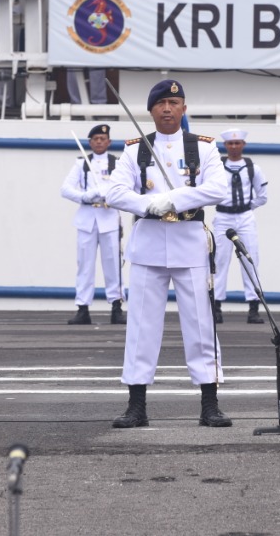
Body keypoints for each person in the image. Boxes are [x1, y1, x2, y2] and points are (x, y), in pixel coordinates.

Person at [104, 80, 230, 428]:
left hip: (188, 242)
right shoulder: (136, 150)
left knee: (201, 325)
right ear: (151, 111)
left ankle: (209, 403)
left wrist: (174, 199)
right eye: (161, 104)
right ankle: (137, 404)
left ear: (184, 108)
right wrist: (148, 204)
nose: (168, 109)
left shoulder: (203, 148)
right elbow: (113, 192)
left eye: (174, 102)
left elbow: (219, 188)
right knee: (141, 327)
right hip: (148, 245)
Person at [60, 123, 125, 325]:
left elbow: (126, 187)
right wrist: (85, 196)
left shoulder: (118, 163)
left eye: (102, 139)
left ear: (109, 142)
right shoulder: (82, 163)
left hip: (109, 218)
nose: (99, 142)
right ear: (90, 142)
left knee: (113, 265)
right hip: (88, 217)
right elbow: (65, 189)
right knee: (85, 265)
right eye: (95, 139)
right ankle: (83, 308)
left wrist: (111, 195)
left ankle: (116, 306)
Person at [211, 129, 268, 324]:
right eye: (230, 144)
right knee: (219, 260)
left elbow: (262, 196)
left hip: (244, 216)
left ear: (243, 144)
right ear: (225, 146)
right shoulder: (217, 167)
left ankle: (253, 307)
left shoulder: (253, 168)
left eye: (237, 143)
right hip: (223, 216)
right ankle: (216, 305)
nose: (234, 147)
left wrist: (246, 207)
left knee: (250, 258)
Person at [66, 0, 108, 105]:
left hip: (95, 35)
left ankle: (99, 103)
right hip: (76, 35)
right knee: (73, 70)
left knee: (97, 70)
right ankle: (76, 103)